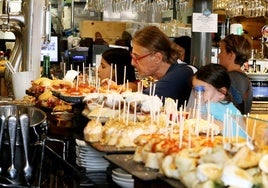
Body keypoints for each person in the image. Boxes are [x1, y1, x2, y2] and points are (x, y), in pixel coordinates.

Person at [131, 26, 193, 108]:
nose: (132, 63)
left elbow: (141, 102)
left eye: (137, 57)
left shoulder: (183, 72)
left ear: (157, 58)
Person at [191, 63, 246, 138]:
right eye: (195, 90)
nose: (198, 94)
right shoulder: (232, 108)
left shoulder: (209, 106)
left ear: (221, 93)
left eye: (203, 90)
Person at [218, 34, 253, 114]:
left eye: (221, 51)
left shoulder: (231, 78)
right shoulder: (242, 77)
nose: (218, 55)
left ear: (231, 55)